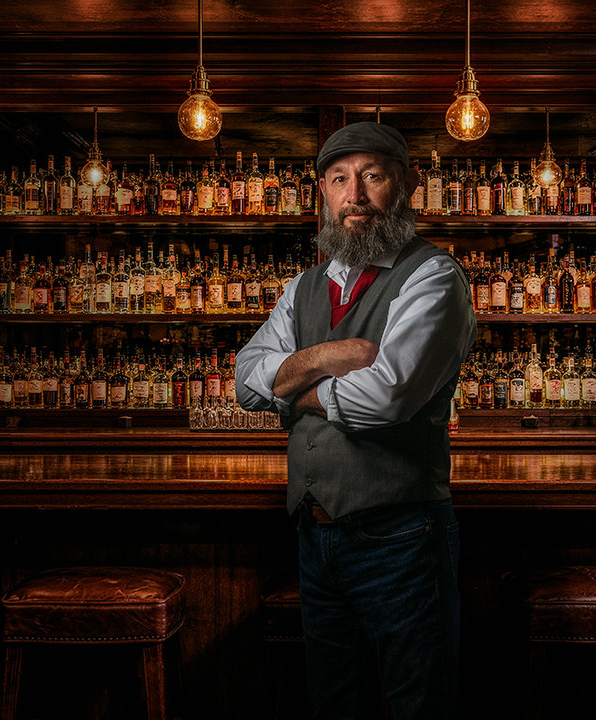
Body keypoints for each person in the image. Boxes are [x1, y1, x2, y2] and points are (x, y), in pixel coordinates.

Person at [235, 121, 476, 720]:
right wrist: (327, 359)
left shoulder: (434, 276)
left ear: (406, 184)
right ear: (322, 191)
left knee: (415, 704)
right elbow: (244, 380)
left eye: (372, 175)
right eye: (339, 179)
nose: (355, 195)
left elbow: (386, 397)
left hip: (401, 538)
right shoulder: (305, 286)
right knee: (335, 701)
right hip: (314, 537)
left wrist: (290, 387)